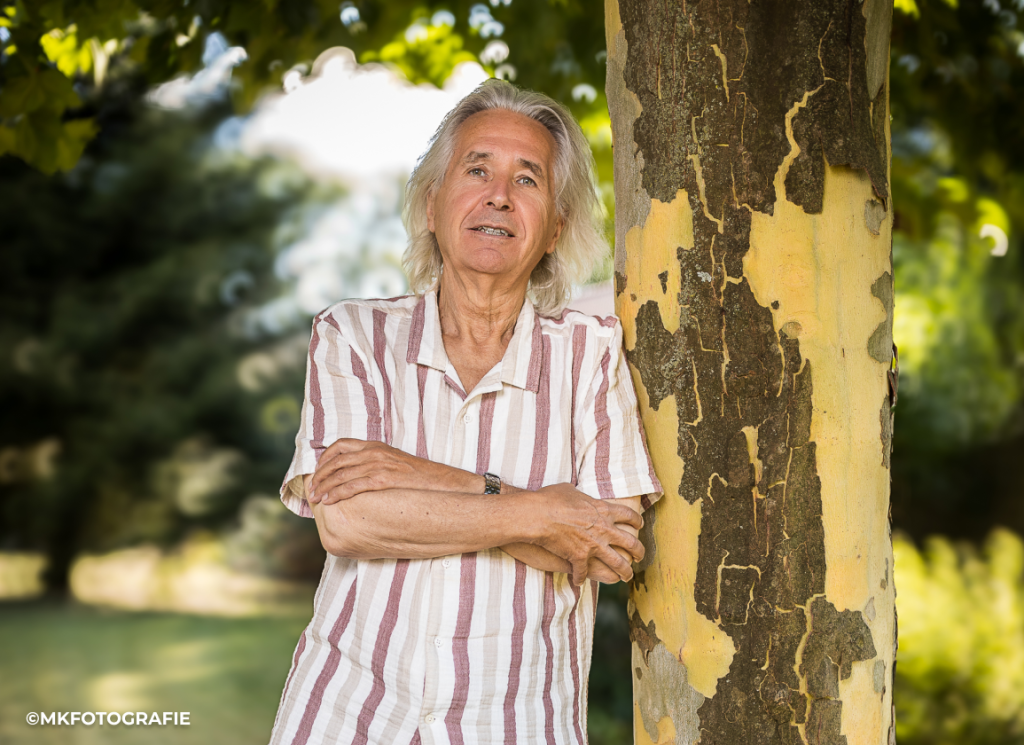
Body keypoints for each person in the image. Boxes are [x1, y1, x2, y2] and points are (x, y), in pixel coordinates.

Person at [268, 79, 662, 745]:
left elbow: (608, 547)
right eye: (477, 170)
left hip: (516, 721)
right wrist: (544, 513)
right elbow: (348, 520)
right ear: (432, 204)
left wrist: (418, 475)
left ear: (555, 228)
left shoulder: (589, 353)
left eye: (527, 179)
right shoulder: (353, 335)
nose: (499, 195)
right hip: (346, 715)